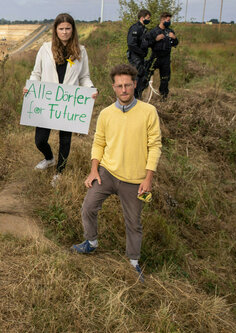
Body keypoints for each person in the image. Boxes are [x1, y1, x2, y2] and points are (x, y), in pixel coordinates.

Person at [71, 64, 162, 283]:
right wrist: (94, 169)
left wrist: (148, 178)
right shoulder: (105, 114)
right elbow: (99, 142)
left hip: (135, 179)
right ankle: (91, 242)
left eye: (127, 85)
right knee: (88, 207)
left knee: (133, 222)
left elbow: (155, 145)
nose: (124, 90)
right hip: (108, 173)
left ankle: (133, 262)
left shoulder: (148, 112)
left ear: (135, 85)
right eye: (119, 86)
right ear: (113, 87)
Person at [26, 13, 98, 186]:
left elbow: (84, 77)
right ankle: (49, 158)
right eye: (61, 29)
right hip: (46, 102)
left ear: (72, 30)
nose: (64, 32)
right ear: (55, 30)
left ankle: (60, 172)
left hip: (68, 103)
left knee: (65, 140)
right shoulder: (45, 49)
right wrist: (31, 86)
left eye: (68, 28)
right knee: (40, 140)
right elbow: (36, 73)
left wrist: (90, 89)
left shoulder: (80, 51)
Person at [142, 12, 179, 100]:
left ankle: (163, 98)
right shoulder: (154, 31)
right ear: (162, 19)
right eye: (168, 20)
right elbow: (146, 44)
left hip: (166, 58)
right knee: (146, 77)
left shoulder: (170, 31)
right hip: (155, 57)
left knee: (165, 79)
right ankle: (140, 94)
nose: (169, 22)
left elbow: (176, 43)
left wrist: (174, 38)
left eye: (169, 20)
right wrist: (156, 39)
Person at [127, 9, 152, 99]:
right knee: (136, 77)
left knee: (142, 78)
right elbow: (131, 44)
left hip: (141, 57)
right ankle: (134, 97)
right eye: (148, 18)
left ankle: (138, 96)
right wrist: (141, 53)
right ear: (142, 18)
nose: (149, 20)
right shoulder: (135, 28)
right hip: (135, 57)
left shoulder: (144, 29)